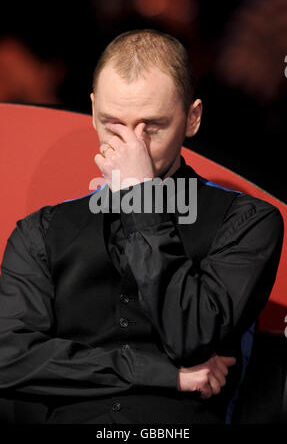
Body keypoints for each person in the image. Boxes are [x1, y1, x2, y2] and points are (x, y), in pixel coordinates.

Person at [0, 29, 284, 425]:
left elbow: (190, 337)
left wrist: (140, 200)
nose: (133, 146)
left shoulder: (248, 222)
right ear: (93, 110)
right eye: (113, 124)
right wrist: (164, 375)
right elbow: (9, 358)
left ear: (193, 119)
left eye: (152, 127)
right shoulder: (41, 230)